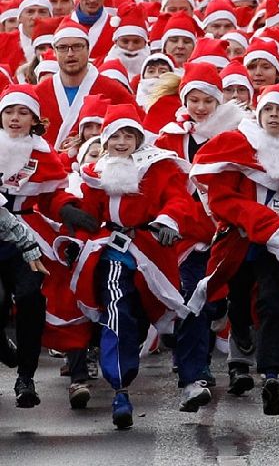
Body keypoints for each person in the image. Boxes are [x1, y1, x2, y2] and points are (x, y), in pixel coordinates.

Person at [188, 85, 279, 416]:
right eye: (268, 110)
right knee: (236, 302)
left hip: (276, 248)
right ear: (259, 114)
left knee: (271, 304)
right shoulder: (240, 146)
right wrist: (259, 219)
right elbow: (222, 199)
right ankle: (241, 338)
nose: (274, 116)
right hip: (238, 242)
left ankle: (271, 376)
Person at [71, 103, 194, 428]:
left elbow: (179, 199)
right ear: (106, 139)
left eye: (129, 135)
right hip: (112, 251)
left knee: (150, 314)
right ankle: (120, 388)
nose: (122, 142)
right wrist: (74, 233)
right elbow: (87, 212)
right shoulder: (97, 172)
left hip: (150, 253)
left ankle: (191, 376)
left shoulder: (158, 167)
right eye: (116, 136)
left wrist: (168, 220)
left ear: (139, 138)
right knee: (116, 312)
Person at [155, 63, 245, 411]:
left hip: (227, 229)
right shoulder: (170, 135)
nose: (201, 107)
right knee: (192, 298)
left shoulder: (237, 133)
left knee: (216, 301)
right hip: (187, 230)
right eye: (194, 99)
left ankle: (208, 351)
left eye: (208, 100)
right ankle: (194, 374)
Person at [0, 84, 97, 409]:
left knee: (31, 298)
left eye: (23, 113)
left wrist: (66, 206)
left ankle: (26, 377)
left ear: (34, 119)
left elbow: (53, 194)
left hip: (29, 235)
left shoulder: (42, 152)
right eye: (9, 111)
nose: (15, 119)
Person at [35, 19, 135, 150]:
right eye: (63, 48)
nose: (70, 53)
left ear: (88, 49)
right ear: (55, 52)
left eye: (77, 46)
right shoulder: (38, 93)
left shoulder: (113, 90)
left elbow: (137, 130)